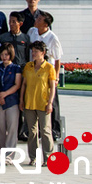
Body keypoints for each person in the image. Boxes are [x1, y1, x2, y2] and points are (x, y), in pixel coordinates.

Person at [28, 11, 63, 141]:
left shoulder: (53, 38)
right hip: (34, 70)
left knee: (51, 101)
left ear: (46, 23)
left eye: (40, 19)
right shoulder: (32, 31)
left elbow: (58, 59)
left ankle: (55, 130)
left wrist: (56, 76)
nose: (36, 20)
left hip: (48, 71)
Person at [20, 41, 56, 163]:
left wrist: (50, 102)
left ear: (43, 53)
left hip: (43, 103)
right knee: (32, 132)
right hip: (29, 102)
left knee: (45, 131)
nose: (33, 53)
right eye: (32, 51)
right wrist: (21, 100)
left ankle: (48, 157)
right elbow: (24, 84)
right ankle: (33, 157)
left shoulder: (49, 67)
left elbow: (52, 87)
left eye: (36, 51)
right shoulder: (28, 66)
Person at [0, 42, 23, 162]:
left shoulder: (16, 68)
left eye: (6, 54)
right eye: (2, 54)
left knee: (12, 128)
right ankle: (2, 153)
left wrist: (5, 94)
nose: (4, 57)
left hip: (11, 101)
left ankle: (9, 155)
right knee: (1, 128)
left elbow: (17, 85)